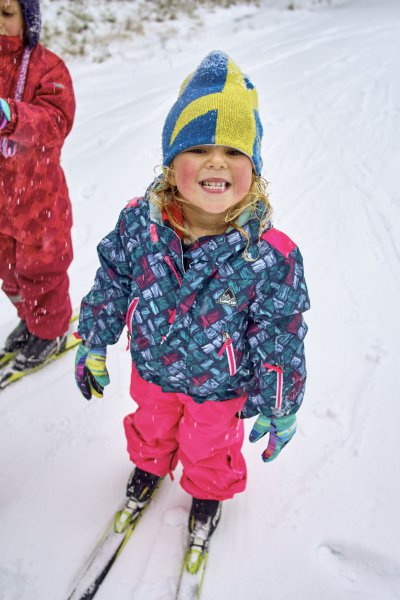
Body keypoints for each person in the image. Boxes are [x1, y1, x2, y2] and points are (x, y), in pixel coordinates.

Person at [75, 51, 310, 561]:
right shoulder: (142, 223)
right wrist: (94, 339)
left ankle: (207, 495)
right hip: (153, 369)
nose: (216, 162)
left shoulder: (270, 256)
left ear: (255, 168)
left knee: (209, 448)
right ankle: (150, 466)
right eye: (198, 147)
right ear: (170, 161)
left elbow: (280, 335)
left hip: (217, 387)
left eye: (233, 150)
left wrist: (280, 400)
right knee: (149, 426)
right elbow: (112, 279)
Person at [0, 0, 75, 370]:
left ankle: (49, 331)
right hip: (0, 203)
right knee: (8, 273)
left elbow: (57, 121)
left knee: (41, 272)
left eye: (6, 12)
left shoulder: (48, 68)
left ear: (28, 20)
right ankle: (30, 320)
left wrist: (12, 116)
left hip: (35, 200)